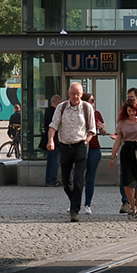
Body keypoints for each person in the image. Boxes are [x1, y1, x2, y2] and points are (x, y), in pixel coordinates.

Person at [46, 83, 97, 223]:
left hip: (81, 145)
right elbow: (53, 126)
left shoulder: (87, 108)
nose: (76, 96)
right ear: (69, 93)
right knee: (66, 180)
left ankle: (74, 211)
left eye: (78, 94)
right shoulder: (61, 107)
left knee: (79, 180)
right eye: (73, 93)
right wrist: (51, 140)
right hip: (65, 146)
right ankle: (75, 200)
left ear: (82, 94)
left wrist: (86, 141)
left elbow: (92, 129)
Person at [111, 92, 137, 222]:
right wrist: (112, 156)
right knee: (127, 182)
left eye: (134, 111)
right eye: (129, 111)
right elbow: (118, 140)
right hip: (127, 150)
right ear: (126, 110)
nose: (132, 113)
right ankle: (133, 206)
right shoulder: (122, 123)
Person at [82, 93, 106, 216]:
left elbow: (103, 131)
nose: (93, 103)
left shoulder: (97, 114)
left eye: (94, 100)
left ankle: (88, 204)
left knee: (90, 177)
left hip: (94, 148)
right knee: (77, 177)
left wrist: (101, 127)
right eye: (91, 100)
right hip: (80, 147)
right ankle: (74, 203)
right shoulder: (79, 114)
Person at [43, 94, 62, 186]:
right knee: (55, 161)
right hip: (55, 140)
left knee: (50, 161)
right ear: (58, 103)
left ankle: (48, 179)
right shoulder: (55, 112)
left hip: (49, 139)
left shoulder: (47, 111)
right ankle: (52, 180)